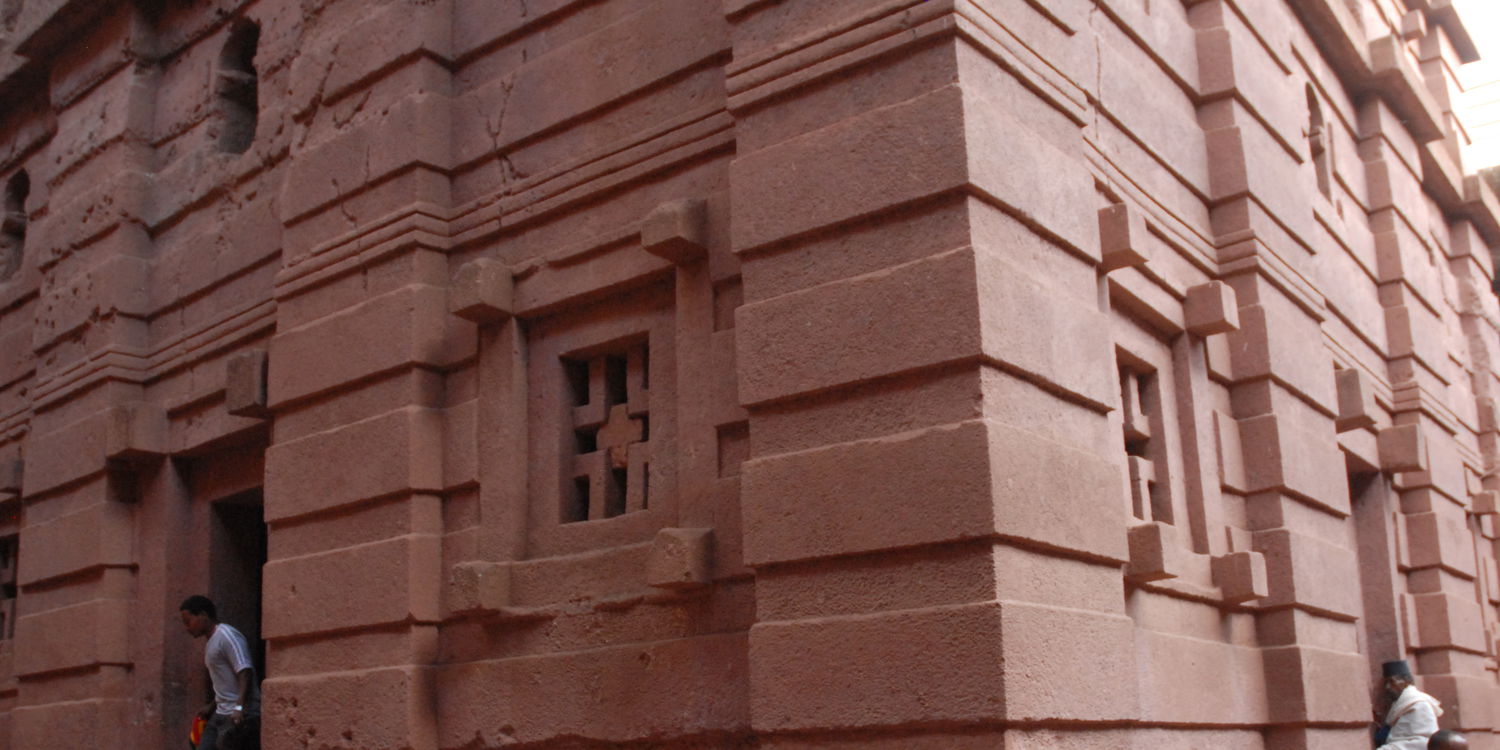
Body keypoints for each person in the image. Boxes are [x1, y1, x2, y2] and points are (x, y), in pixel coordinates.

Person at [180, 595, 260, 750]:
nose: (187, 627)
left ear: (203, 615)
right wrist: (211, 706)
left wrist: (239, 708)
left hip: (240, 715)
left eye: (188, 621)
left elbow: (244, 671)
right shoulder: (211, 643)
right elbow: (226, 683)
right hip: (221, 712)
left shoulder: (227, 636)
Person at [1376, 660, 1442, 750]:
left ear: (1406, 682)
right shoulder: (1402, 703)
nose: (1388, 687)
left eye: (1392, 682)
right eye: (1386, 683)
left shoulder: (1420, 705)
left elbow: (1423, 742)